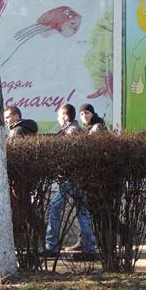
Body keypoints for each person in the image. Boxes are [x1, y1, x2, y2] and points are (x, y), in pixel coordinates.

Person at [44, 103, 97, 258]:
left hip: (69, 178)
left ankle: (51, 246)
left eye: (59, 115)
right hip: (75, 178)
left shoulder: (72, 131)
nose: (57, 118)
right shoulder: (72, 130)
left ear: (66, 116)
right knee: (82, 211)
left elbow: (70, 157)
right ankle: (89, 248)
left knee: (55, 208)